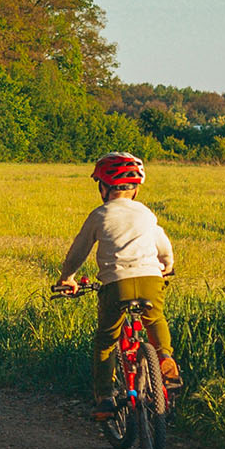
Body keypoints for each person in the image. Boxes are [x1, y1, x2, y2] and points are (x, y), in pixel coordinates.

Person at [56, 151, 178, 417]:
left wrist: (67, 277)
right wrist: (167, 266)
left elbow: (78, 252)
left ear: (103, 187)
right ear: (134, 189)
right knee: (155, 319)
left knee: (106, 340)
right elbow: (163, 246)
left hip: (116, 284)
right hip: (150, 279)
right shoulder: (146, 214)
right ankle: (165, 357)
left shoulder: (99, 215)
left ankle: (105, 398)